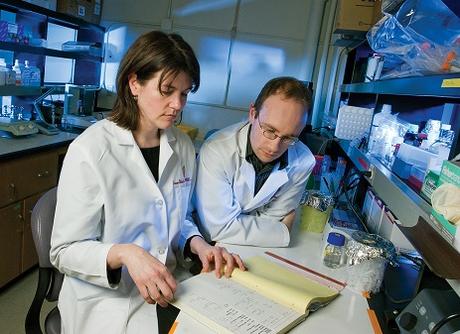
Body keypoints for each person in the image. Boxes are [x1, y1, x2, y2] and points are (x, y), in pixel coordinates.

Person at [50, 30, 244, 333]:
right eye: (167, 90)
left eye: (185, 92)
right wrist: (125, 253)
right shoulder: (91, 150)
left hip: (169, 289)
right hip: (107, 302)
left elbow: (178, 219)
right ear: (134, 83)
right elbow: (64, 251)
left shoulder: (181, 145)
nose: (178, 104)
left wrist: (198, 244)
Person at [194, 76, 315, 247]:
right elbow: (216, 229)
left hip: (255, 250)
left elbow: (275, 217)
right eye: (270, 130)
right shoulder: (217, 149)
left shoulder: (304, 161)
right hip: (206, 247)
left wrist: (236, 224)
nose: (275, 146)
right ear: (253, 113)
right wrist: (281, 232)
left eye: (289, 138)